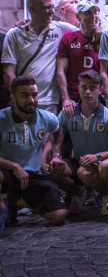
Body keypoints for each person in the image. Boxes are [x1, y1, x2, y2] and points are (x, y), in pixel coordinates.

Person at [0, 75, 68, 226]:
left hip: (33, 175)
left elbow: (58, 133)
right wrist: (14, 166)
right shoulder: (2, 118)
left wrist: (56, 155)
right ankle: (2, 207)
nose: (31, 100)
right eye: (25, 95)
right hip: (6, 173)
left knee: (59, 215)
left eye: (34, 95)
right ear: (13, 97)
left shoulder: (47, 118)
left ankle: (16, 203)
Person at [49, 70, 108, 215]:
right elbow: (58, 135)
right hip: (77, 160)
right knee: (54, 168)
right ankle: (76, 193)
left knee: (84, 172)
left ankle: (106, 195)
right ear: (78, 89)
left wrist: (97, 156)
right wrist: (56, 156)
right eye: (84, 87)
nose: (87, 92)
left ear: (100, 90)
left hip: (99, 162)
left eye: (92, 87)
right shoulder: (68, 112)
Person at [2, 0, 78, 114]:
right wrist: (16, 98)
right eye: (47, 7)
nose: (52, 11)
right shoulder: (14, 34)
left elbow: (85, 34)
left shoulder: (61, 28)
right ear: (32, 8)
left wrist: (97, 30)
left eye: (52, 7)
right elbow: (9, 72)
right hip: (23, 102)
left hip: (50, 101)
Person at [56, 0, 102, 117]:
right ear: (78, 16)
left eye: (95, 12)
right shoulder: (68, 38)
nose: (93, 16)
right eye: (87, 13)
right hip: (74, 96)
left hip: (96, 95)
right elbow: (61, 71)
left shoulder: (104, 38)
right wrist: (65, 98)